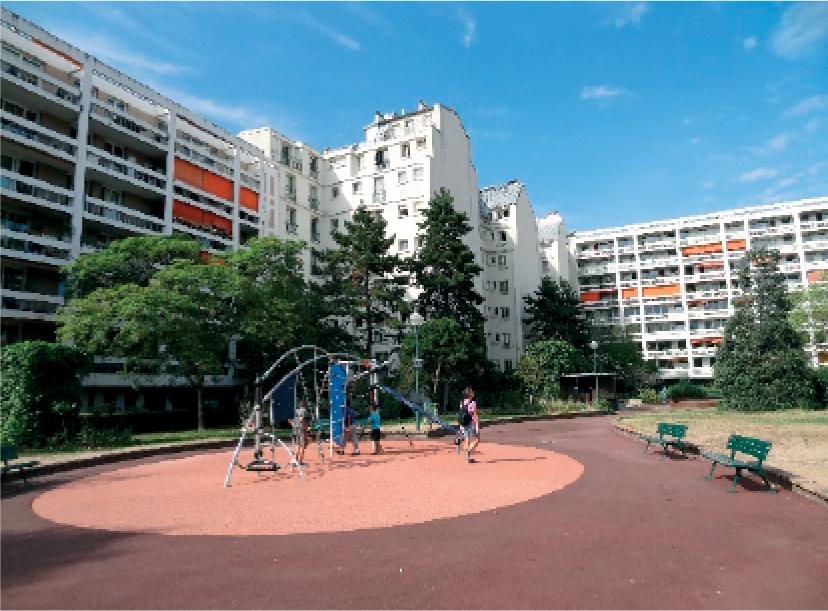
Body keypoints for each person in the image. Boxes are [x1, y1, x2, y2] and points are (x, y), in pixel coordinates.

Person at [460, 387, 480, 463]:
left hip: (462, 423)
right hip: (470, 423)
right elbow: (474, 415)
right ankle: (468, 453)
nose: (473, 393)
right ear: (470, 394)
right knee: (477, 439)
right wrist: (477, 426)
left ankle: (468, 457)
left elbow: (461, 412)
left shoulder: (462, 402)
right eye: (472, 392)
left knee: (467, 440)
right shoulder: (473, 403)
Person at [289, 400, 310, 465]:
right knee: (303, 445)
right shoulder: (305, 411)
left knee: (298, 445)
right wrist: (306, 428)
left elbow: (291, 421)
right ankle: (300, 461)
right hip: (302, 429)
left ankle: (296, 460)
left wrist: (294, 425)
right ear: (305, 405)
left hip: (296, 429)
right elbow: (302, 419)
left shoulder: (296, 411)